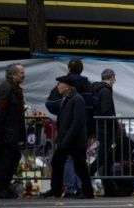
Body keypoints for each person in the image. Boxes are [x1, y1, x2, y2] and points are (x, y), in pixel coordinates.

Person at [45, 59, 93, 197]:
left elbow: (77, 123)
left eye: (60, 83)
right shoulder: (67, 99)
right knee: (61, 163)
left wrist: (65, 140)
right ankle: (56, 190)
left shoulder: (77, 99)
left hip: (74, 141)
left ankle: (86, 191)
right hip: (67, 139)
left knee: (80, 166)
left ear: (67, 86)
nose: (58, 86)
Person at [0, 64, 26, 199]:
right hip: (5, 133)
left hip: (12, 132)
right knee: (4, 161)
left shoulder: (15, 89)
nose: (23, 75)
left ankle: (4, 186)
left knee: (13, 158)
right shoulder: (6, 88)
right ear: (13, 74)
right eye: (21, 72)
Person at [91, 69, 117, 189]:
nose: (115, 80)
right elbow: (107, 111)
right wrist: (115, 124)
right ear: (111, 77)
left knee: (105, 156)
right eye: (114, 78)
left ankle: (108, 185)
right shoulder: (106, 91)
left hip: (100, 127)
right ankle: (87, 174)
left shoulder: (97, 89)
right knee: (103, 156)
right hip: (106, 128)